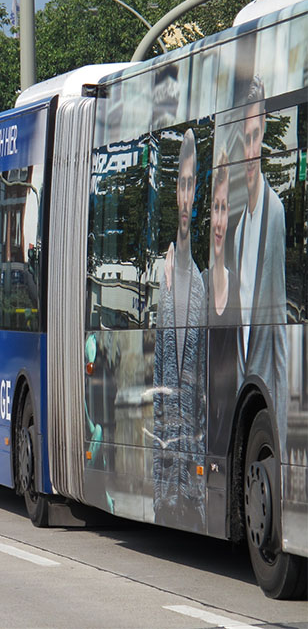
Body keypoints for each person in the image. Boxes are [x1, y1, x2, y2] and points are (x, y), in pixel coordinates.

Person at [152, 127, 207, 532]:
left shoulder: (200, 286)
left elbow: (202, 395)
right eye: (181, 184)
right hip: (165, 476)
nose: (186, 195)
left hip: (193, 482)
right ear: (175, 192)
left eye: (192, 185)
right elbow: (158, 389)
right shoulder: (163, 277)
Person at [233, 75, 288, 450]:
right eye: (245, 139)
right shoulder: (238, 231)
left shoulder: (275, 214)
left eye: (256, 136)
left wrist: (280, 434)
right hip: (242, 396)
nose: (251, 151)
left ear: (264, 129)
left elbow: (279, 327)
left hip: (264, 399)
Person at [204, 154, 240, 457]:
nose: (218, 221)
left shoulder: (239, 289)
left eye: (224, 208)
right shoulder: (199, 286)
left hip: (229, 435)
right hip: (202, 435)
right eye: (215, 208)